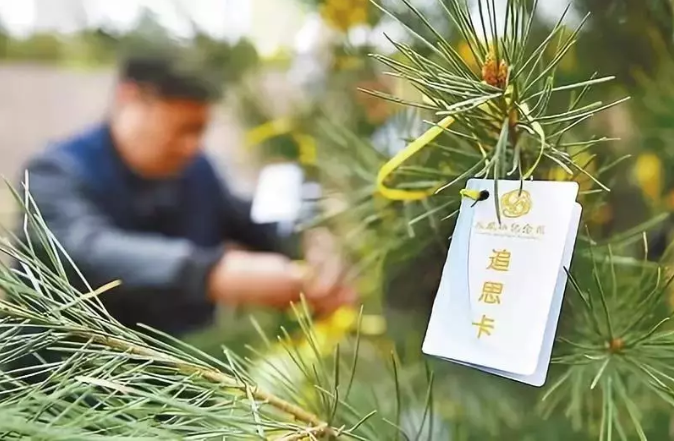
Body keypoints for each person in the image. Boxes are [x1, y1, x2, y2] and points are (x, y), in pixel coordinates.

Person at [13, 45, 355, 337]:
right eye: (183, 129)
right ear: (131, 97)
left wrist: (308, 240)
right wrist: (211, 273)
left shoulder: (197, 172)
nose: (193, 146)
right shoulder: (53, 174)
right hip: (62, 389)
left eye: (201, 130)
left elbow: (252, 221)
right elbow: (86, 251)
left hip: (177, 388)